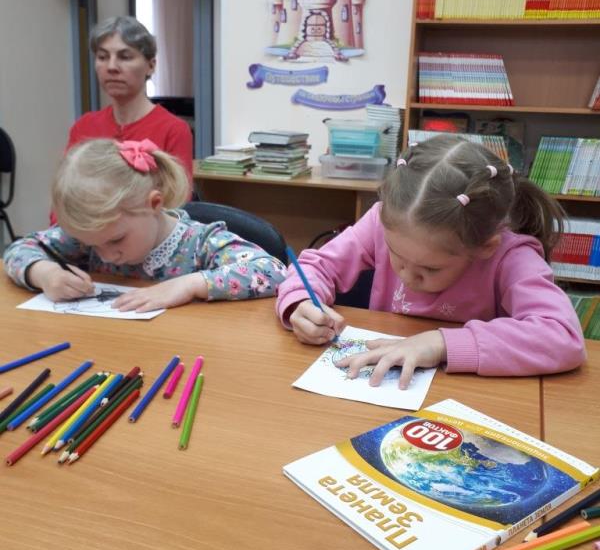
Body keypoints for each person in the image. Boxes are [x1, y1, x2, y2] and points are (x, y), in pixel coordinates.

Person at [276, 134, 585, 387]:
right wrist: (300, 302)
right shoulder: (380, 223)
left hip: (469, 395)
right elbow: (316, 266)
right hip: (384, 386)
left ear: (484, 247)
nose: (407, 277)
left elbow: (563, 337)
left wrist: (440, 344)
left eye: (430, 268)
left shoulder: (511, 257)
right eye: (396, 255)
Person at [5, 138, 286, 311]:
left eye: (116, 240)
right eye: (94, 246)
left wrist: (190, 285)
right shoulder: (94, 236)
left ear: (154, 204)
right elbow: (19, 248)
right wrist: (43, 273)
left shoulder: (200, 243)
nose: (105, 255)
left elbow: (272, 271)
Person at [65, 16, 193, 188]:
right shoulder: (84, 127)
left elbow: (178, 199)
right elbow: (66, 193)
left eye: (125, 57)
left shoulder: (173, 130)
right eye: (102, 57)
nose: (111, 67)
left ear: (151, 66)